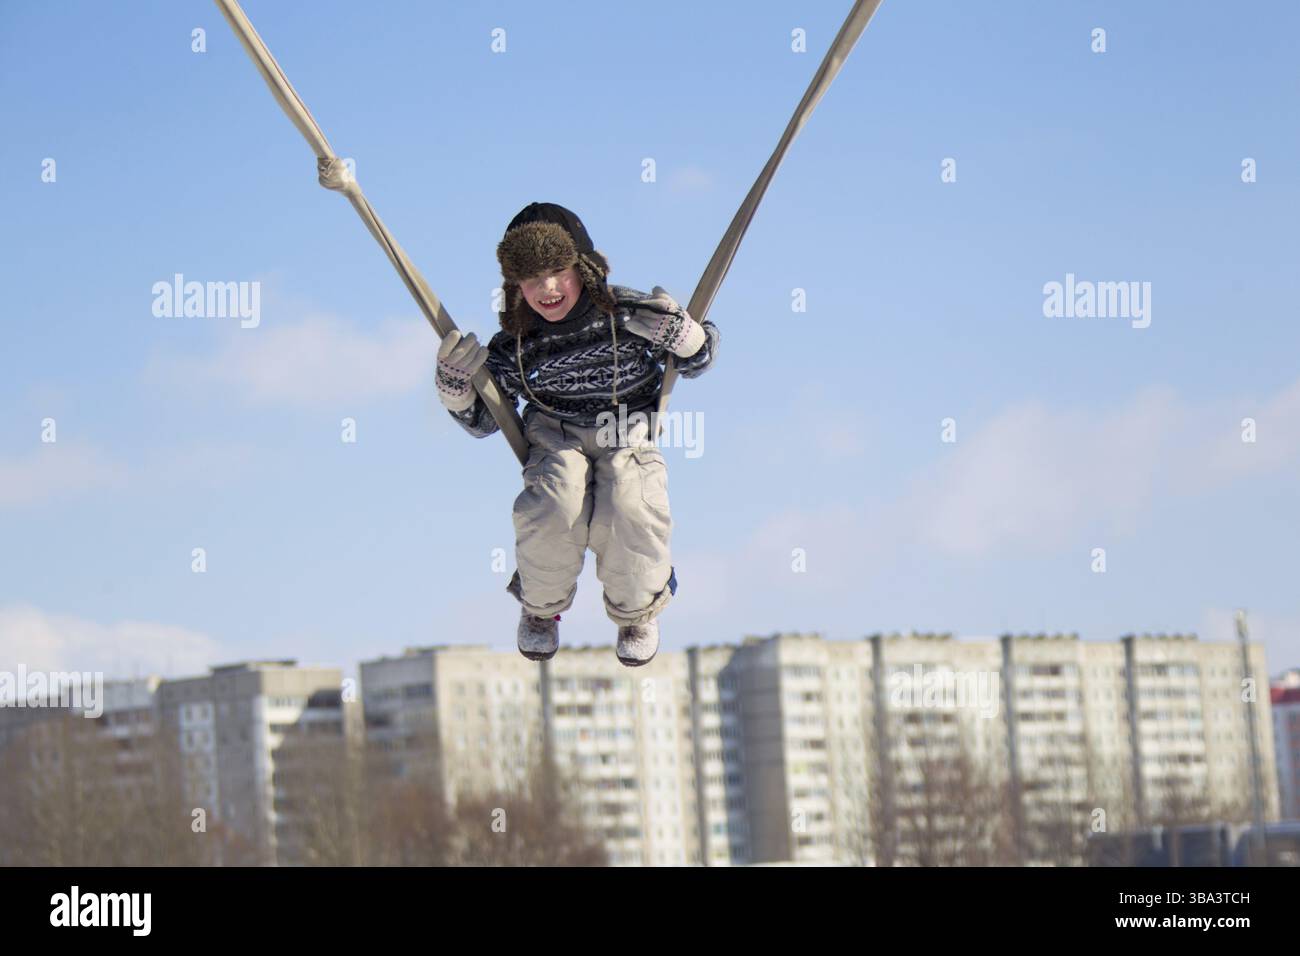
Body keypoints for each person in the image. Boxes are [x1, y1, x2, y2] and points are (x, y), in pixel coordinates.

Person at [435, 202, 719, 666]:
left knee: (630, 502)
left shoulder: (628, 314)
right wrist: (456, 390)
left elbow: (695, 361)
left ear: (583, 268)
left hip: (625, 427)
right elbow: (487, 422)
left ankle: (637, 611)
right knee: (555, 503)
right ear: (514, 286)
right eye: (530, 278)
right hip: (556, 433)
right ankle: (541, 608)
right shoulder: (517, 344)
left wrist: (688, 339)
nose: (546, 288)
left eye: (557, 271)